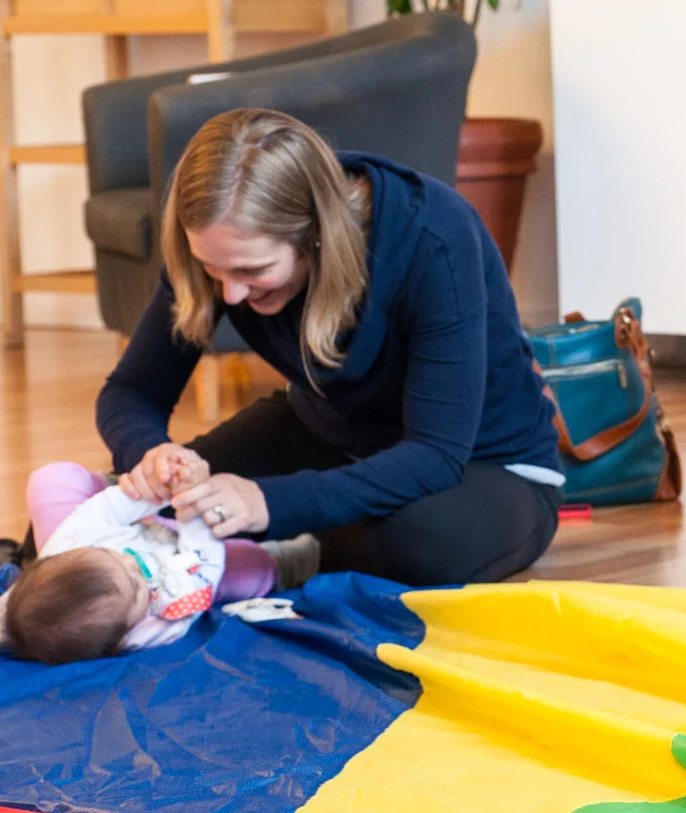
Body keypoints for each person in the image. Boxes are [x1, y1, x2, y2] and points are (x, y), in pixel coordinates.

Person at [97, 108, 562, 588]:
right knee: (128, 508)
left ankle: (271, 557)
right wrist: (151, 455)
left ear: (317, 236)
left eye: (253, 272)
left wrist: (267, 502)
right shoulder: (218, 249)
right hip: (330, 435)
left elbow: (435, 454)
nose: (231, 294)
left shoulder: (434, 238)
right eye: (213, 271)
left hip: (484, 465)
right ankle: (254, 553)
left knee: (413, 548)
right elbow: (131, 390)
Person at [0, 458, 283, 663]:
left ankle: (103, 482)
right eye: (135, 585)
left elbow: (103, 512)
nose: (133, 564)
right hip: (181, 555)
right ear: (125, 635)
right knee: (253, 568)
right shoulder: (164, 616)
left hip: (134, 527)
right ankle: (289, 561)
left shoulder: (70, 549)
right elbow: (205, 565)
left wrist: (160, 491)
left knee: (51, 479)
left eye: (111, 557)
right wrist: (190, 510)